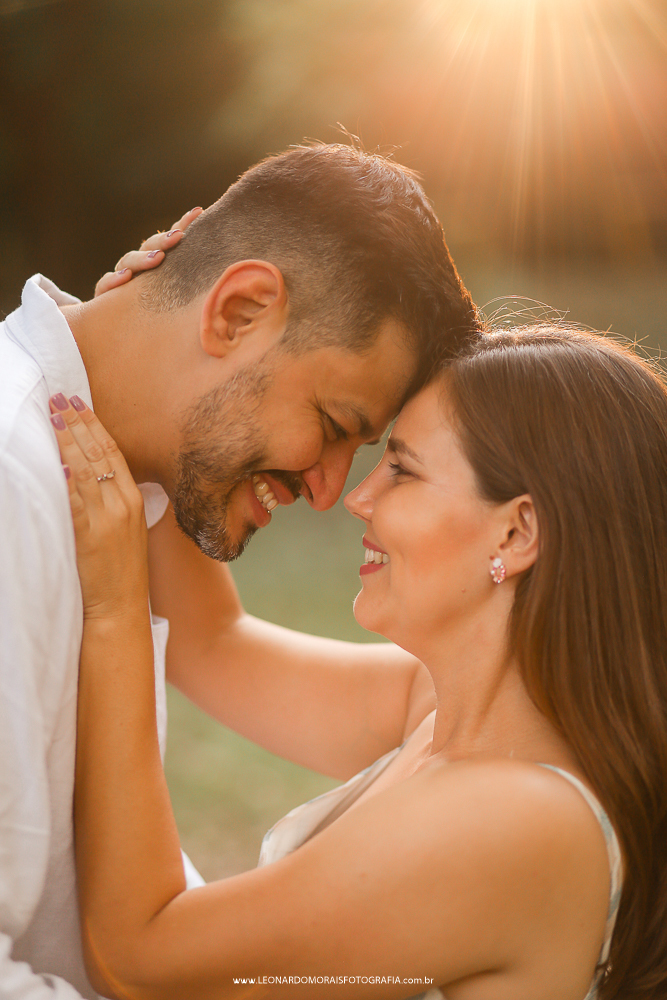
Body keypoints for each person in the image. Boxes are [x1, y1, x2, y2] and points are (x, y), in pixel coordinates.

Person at [54, 324, 667, 999]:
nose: (358, 497)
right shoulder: (434, 709)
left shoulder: (519, 818)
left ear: (516, 532)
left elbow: (140, 958)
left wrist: (113, 610)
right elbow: (212, 641)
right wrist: (157, 367)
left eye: (402, 469)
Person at [0, 143, 478, 999]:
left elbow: (216, 642)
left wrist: (141, 348)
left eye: (385, 460)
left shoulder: (93, 485)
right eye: (335, 423)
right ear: (239, 308)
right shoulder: (16, 486)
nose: (335, 493)